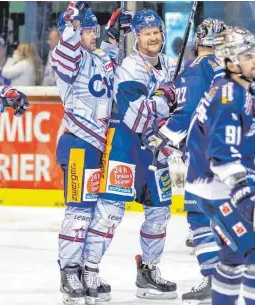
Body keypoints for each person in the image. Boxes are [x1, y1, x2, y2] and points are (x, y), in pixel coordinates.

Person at [83, 9, 178, 300]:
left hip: (156, 150)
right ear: (137, 37)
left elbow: (184, 108)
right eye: (147, 33)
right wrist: (166, 99)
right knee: (111, 212)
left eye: (157, 32)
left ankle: (148, 272)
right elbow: (137, 117)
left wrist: (172, 106)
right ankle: (89, 271)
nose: (153, 38)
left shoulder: (173, 66)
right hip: (127, 148)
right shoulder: (128, 68)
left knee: (160, 213)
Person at [184, 26, 255, 305]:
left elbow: (244, 141)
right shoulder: (228, 95)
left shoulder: (247, 88)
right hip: (218, 189)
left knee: (233, 259)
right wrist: (244, 193)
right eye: (248, 55)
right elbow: (222, 153)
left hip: (221, 187)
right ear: (230, 61)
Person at [51, 2, 131, 304]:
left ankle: (88, 269)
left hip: (104, 146)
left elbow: (116, 57)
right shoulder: (65, 58)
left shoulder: (99, 56)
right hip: (78, 144)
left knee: (106, 213)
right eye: (86, 30)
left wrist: (115, 32)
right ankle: (69, 270)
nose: (91, 34)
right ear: (71, 31)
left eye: (92, 28)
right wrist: (73, 16)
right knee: (80, 212)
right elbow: (68, 47)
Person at [143, 18, 226, 304]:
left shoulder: (198, 68)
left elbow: (188, 111)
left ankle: (215, 280)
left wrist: (162, 135)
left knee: (200, 217)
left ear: (199, 39)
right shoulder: (224, 69)